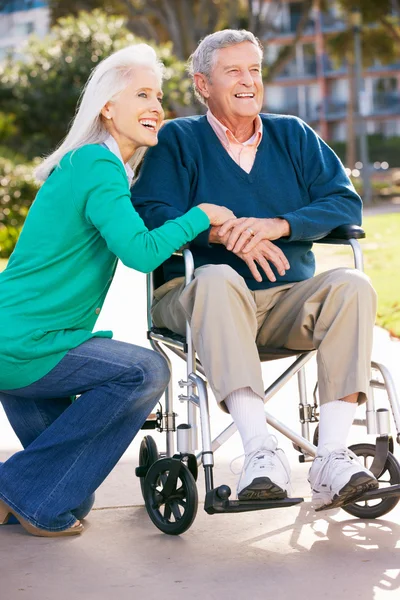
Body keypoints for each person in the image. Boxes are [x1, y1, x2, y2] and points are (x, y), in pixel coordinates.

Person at [131, 29, 379, 511]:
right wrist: (218, 232)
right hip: (197, 297)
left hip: (283, 299)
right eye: (233, 71)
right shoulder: (177, 141)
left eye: (255, 70)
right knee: (219, 278)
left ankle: (330, 457)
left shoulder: (293, 134)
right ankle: (259, 452)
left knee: (352, 284)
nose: (249, 82)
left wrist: (278, 225)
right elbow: (151, 213)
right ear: (203, 85)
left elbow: (344, 203)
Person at [0, 44, 234, 538]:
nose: (157, 107)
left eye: (160, 96)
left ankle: (19, 493)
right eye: (142, 94)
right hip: (26, 342)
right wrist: (203, 215)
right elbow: (141, 252)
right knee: (146, 370)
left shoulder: (97, 166)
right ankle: (13, 489)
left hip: (22, 340)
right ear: (108, 107)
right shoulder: (97, 165)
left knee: (68, 492)